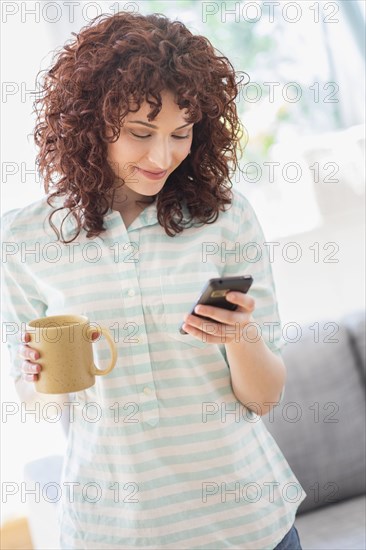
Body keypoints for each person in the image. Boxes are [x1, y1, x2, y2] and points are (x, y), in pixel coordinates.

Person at [2, 11, 306, 549]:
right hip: (115, 529)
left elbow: (263, 400)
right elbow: (39, 403)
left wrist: (239, 337)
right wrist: (38, 374)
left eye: (180, 133)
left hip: (248, 522)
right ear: (89, 122)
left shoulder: (226, 216)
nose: (162, 156)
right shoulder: (26, 238)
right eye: (141, 133)